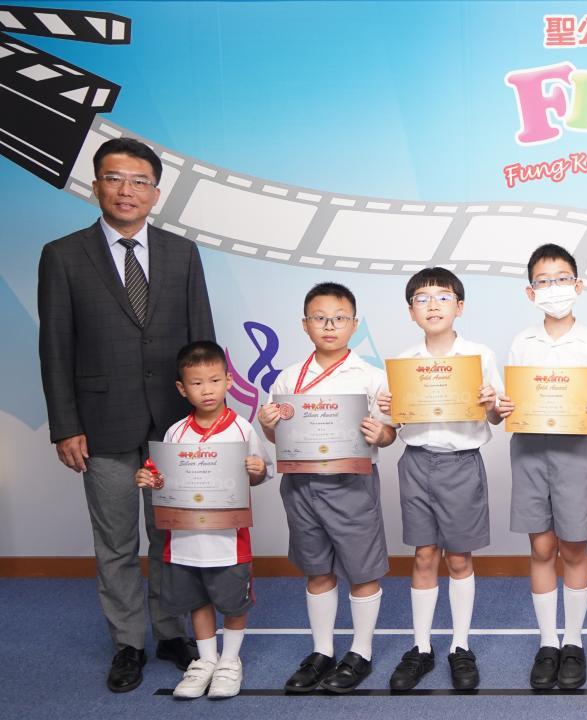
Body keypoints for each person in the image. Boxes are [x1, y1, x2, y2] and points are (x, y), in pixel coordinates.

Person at [37, 137, 213, 692]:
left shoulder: (183, 254)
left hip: (174, 425)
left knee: (169, 536)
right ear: (96, 187)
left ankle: (170, 632)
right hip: (101, 424)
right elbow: (55, 348)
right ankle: (128, 644)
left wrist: (207, 420)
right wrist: (66, 425)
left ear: (156, 193)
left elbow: (202, 342)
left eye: (139, 181)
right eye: (114, 178)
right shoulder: (63, 255)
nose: (126, 190)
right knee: (115, 542)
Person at [258, 282, 396, 694]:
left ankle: (361, 652)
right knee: (316, 569)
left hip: (352, 483)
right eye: (320, 318)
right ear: (305, 325)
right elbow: (277, 439)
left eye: (339, 318)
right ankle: (322, 651)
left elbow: (390, 434)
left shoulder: (372, 377)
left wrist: (380, 434)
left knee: (362, 570)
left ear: (354, 324)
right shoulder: (287, 378)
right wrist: (267, 425)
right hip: (301, 485)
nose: (329, 326)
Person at [377, 267, 504, 691]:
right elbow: (391, 426)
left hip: (461, 463)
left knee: (459, 558)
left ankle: (459, 646)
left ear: (459, 307)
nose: (433, 305)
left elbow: (496, 417)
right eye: (422, 299)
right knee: (424, 555)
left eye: (443, 297)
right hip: (416, 462)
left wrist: (491, 402)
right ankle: (421, 647)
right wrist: (389, 408)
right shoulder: (403, 363)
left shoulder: (479, 356)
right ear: (411, 311)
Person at [496, 244, 587, 690]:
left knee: (574, 548)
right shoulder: (521, 342)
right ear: (531, 293)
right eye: (543, 281)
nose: (553, 288)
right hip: (529, 450)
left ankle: (573, 642)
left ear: (577, 286)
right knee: (542, 547)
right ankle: (548, 642)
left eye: (562, 279)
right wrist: (505, 406)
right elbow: (510, 401)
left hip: (576, 452)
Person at [135, 342, 270, 699]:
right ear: (182, 388)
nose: (206, 390)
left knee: (234, 602)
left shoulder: (242, 429)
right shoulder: (175, 433)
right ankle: (207, 660)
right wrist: (151, 479)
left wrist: (257, 469)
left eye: (214, 380)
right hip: (186, 540)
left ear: (228, 381)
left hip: (228, 540)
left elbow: (260, 474)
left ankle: (230, 660)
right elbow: (165, 480)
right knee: (197, 599)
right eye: (196, 383)